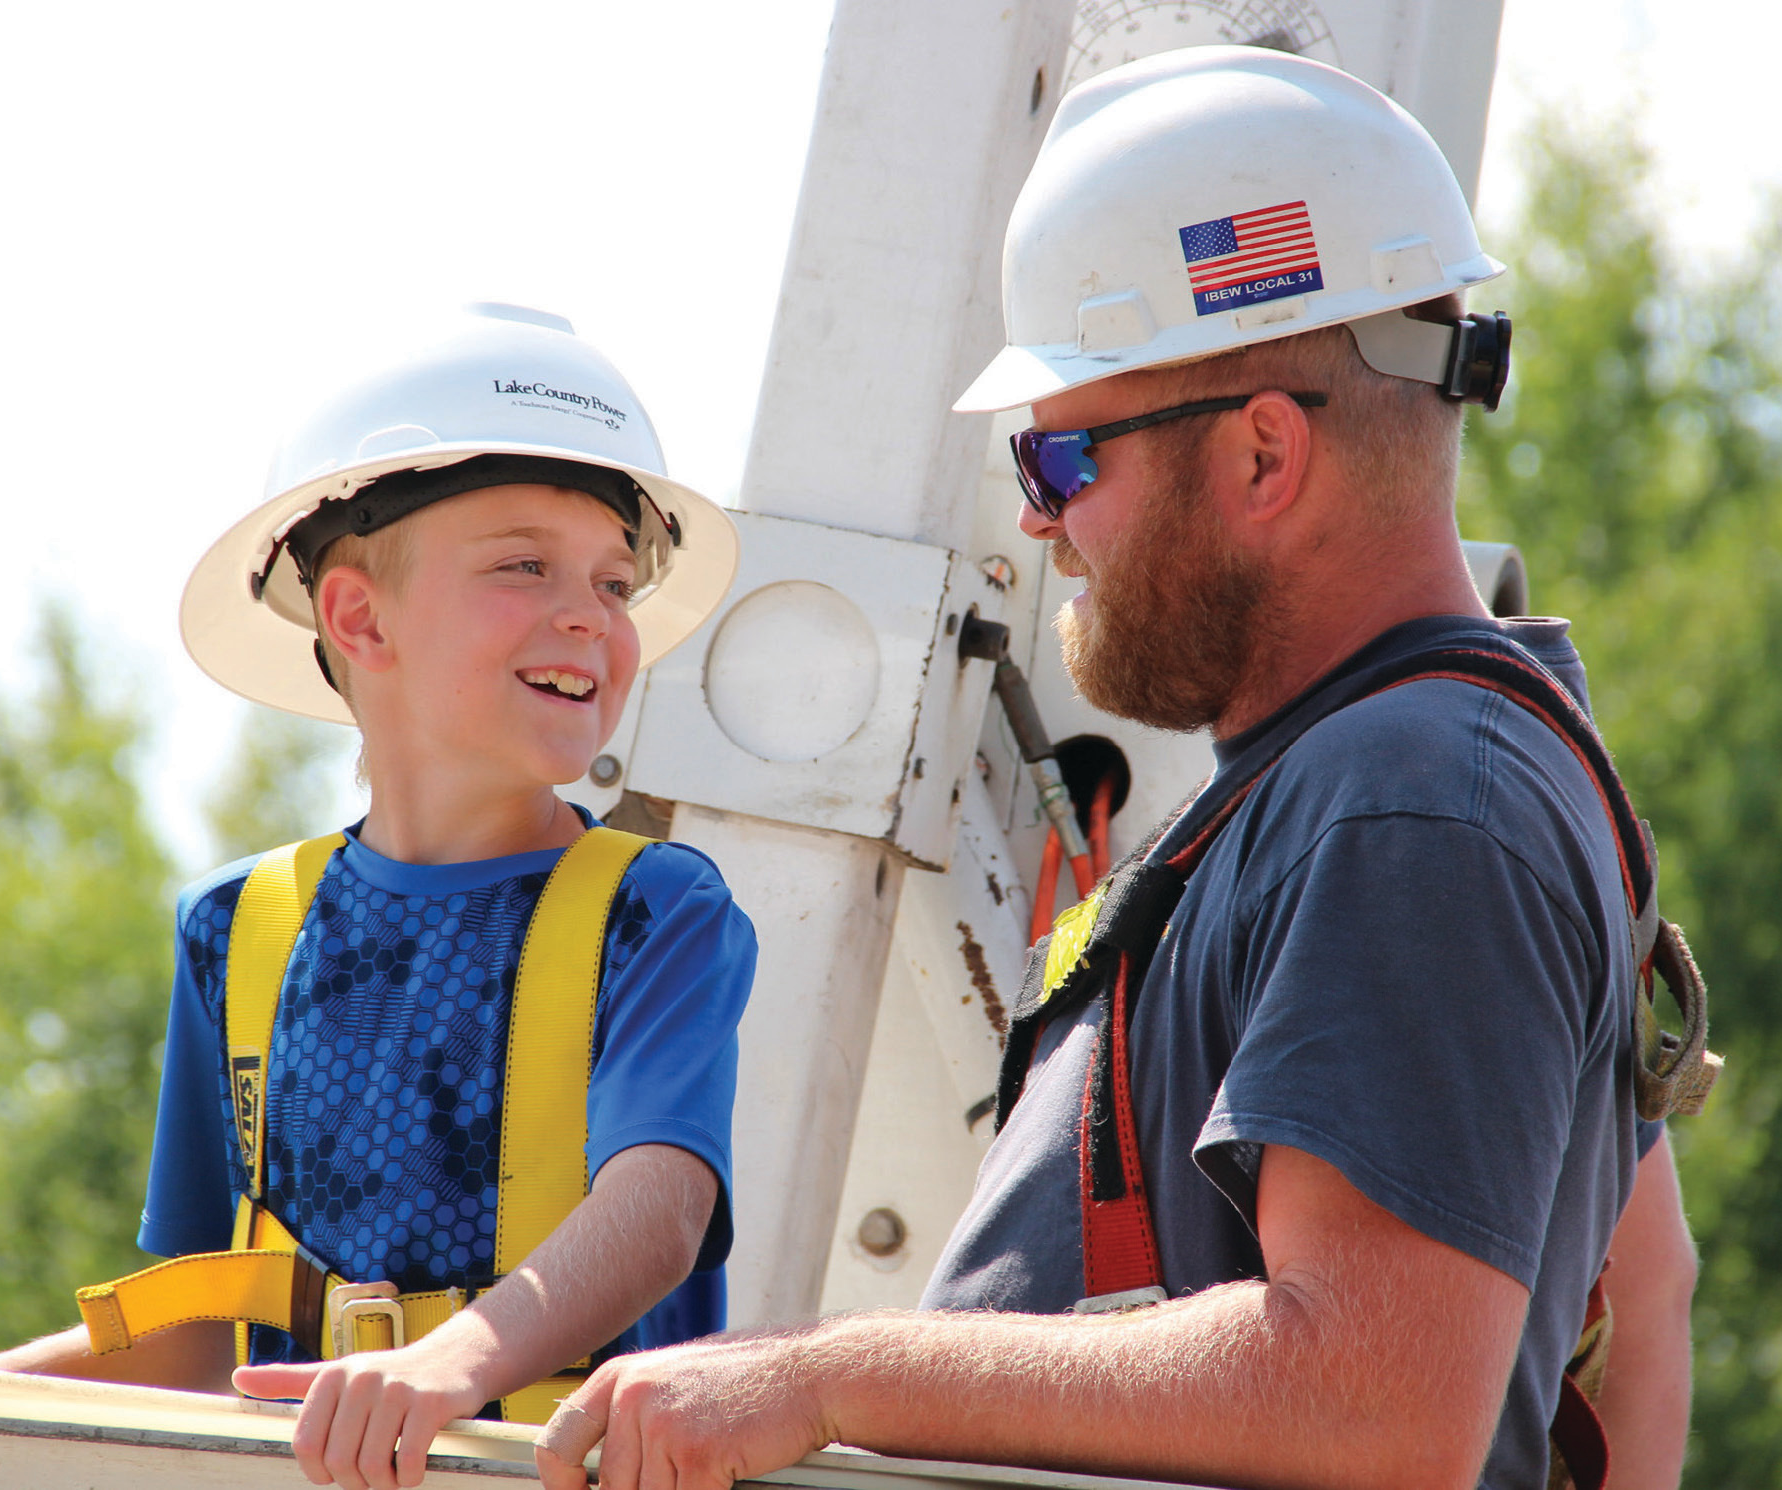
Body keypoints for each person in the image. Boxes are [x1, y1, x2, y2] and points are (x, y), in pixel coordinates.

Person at [531, 48, 1702, 1490]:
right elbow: (1650, 1293)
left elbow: (1372, 1397)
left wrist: (823, 1373)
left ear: (1264, 455)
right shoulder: (1387, 785)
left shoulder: (1414, 800)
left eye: (1059, 463)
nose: (1039, 526)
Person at [0, 303, 756, 1490]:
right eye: (523, 563)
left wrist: (445, 1364)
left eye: (611, 578)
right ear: (357, 614)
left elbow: (657, 1215)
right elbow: (200, 1327)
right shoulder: (235, 933)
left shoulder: (657, 910)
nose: (590, 613)